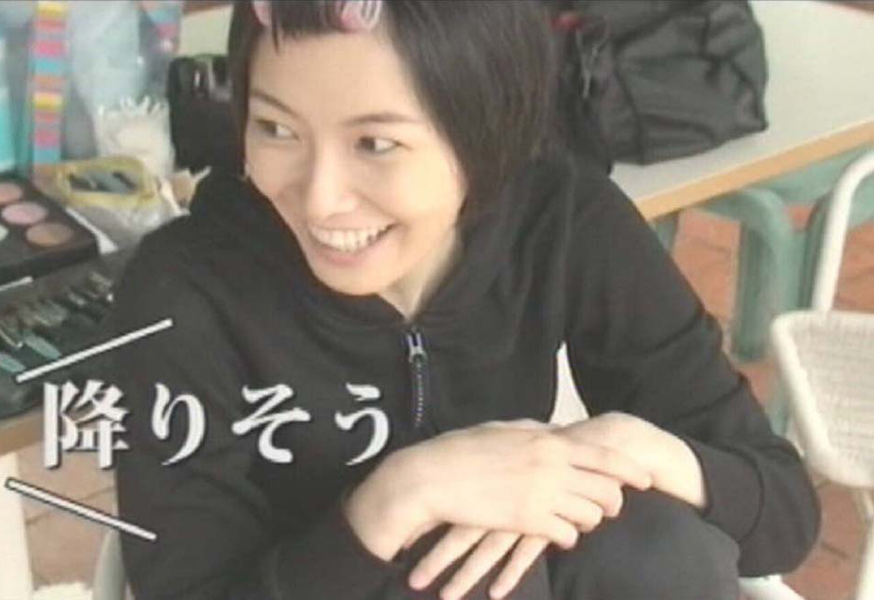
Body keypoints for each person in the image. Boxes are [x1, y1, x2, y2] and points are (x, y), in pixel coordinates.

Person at [108, 1, 820, 598]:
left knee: (652, 544)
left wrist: (654, 456)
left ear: (487, 130)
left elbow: (783, 512)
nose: (320, 198)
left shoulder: (563, 220)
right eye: (276, 129)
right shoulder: (181, 297)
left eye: (375, 143)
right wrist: (395, 501)